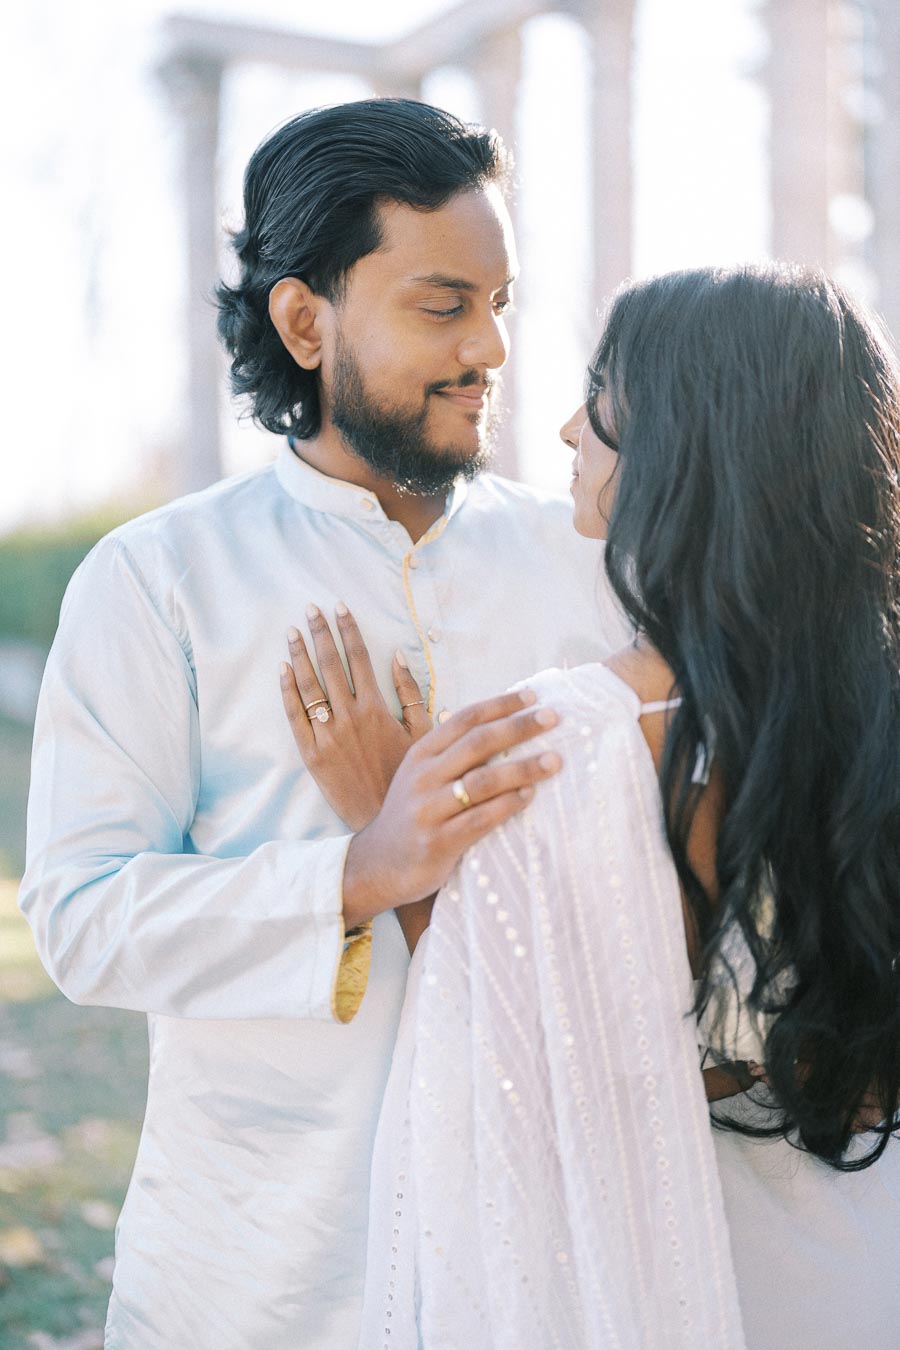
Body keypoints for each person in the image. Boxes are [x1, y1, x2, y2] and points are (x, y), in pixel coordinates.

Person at [19, 99, 633, 1348]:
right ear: (306, 321)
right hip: (261, 1272)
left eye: (501, 303)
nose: (495, 350)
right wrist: (358, 874)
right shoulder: (158, 580)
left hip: (536, 1266)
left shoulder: (584, 562)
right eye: (443, 304)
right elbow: (80, 918)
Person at [283, 263, 900, 1348]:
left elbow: (517, 1055)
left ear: (687, 446)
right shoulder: (874, 712)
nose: (569, 427)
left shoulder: (565, 739)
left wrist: (390, 823)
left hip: (685, 1275)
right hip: (864, 1260)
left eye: (604, 400)